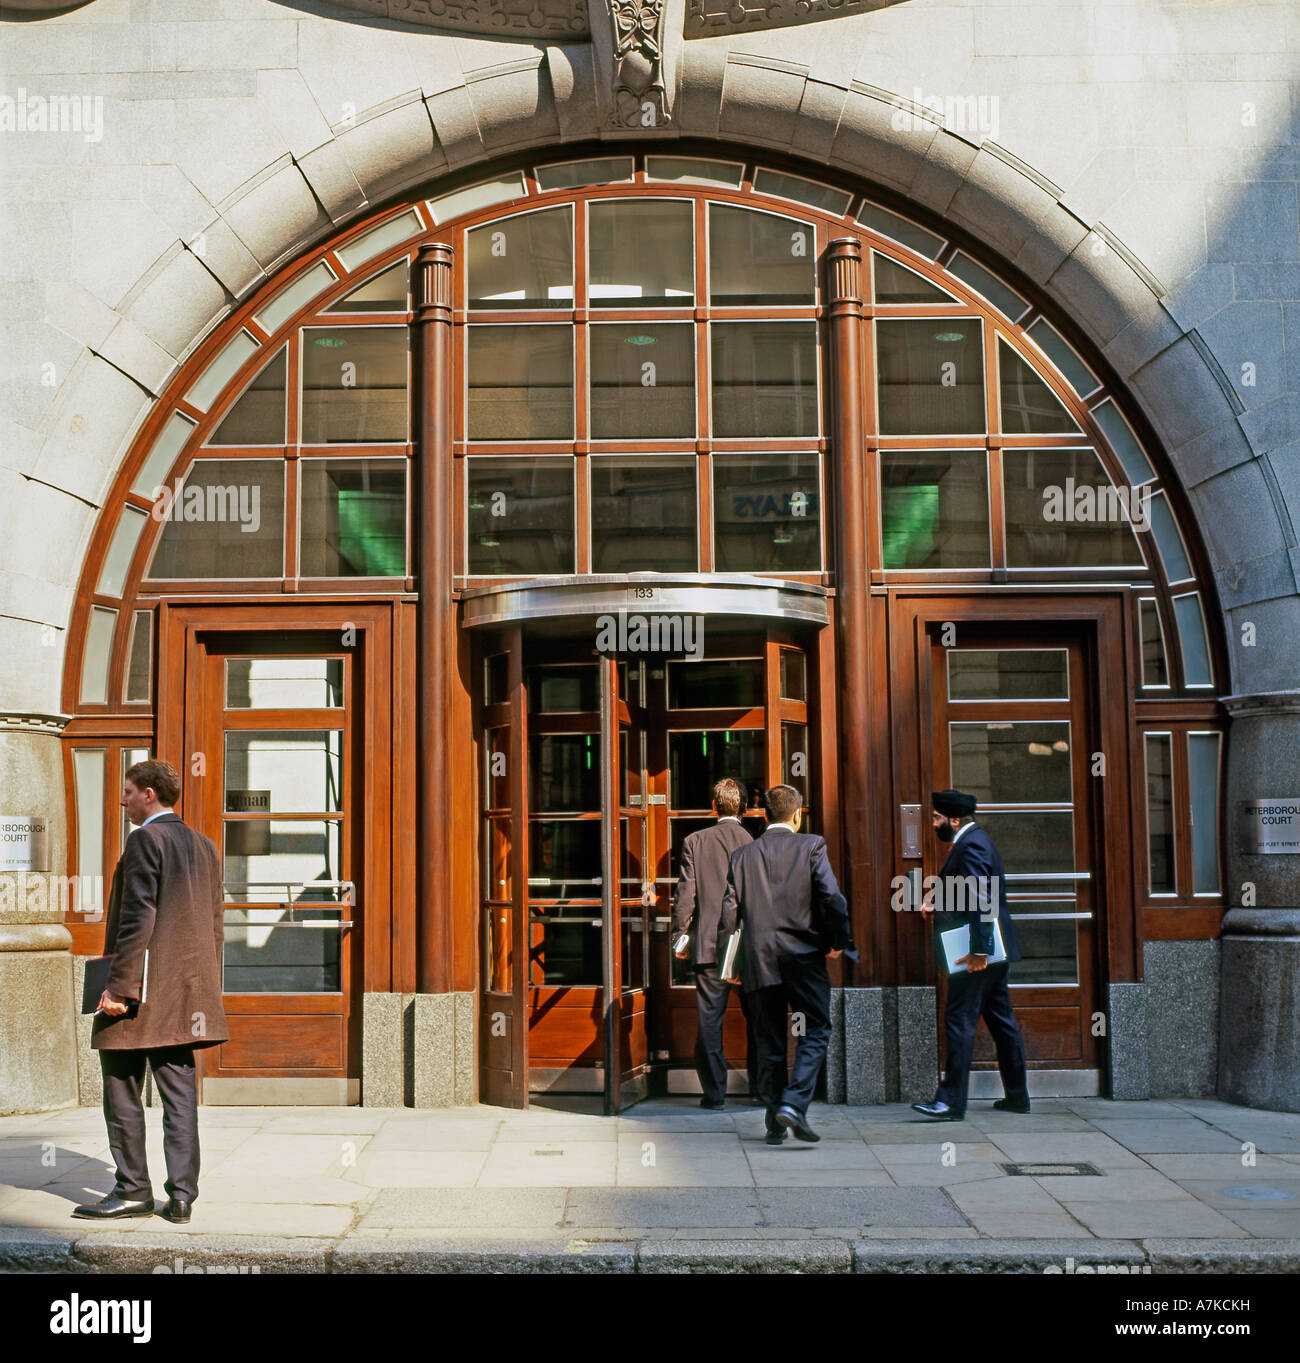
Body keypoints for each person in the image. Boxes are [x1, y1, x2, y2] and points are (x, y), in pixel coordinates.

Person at [73, 759, 228, 1224]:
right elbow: (215, 926)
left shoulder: (145, 840)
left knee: (121, 1089)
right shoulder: (205, 846)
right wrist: (204, 989)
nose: (122, 800)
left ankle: (132, 1191)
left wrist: (118, 990)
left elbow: (137, 919)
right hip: (186, 993)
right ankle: (182, 1197)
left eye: (127, 791)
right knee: (179, 1095)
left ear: (149, 794)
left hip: (139, 995)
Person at [719, 784, 857, 1144]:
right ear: (798, 815)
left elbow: (729, 915)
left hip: (758, 958)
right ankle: (794, 1104)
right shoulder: (811, 845)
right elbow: (834, 900)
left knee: (770, 1041)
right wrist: (836, 942)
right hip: (804, 956)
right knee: (818, 1028)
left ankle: (775, 1124)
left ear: (763, 816)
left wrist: (731, 964)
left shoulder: (742, 856)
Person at [912, 788, 1030, 1121]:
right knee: (1001, 1020)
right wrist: (937, 901)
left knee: (959, 1020)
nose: (933, 824)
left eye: (936, 818)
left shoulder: (972, 844)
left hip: (976, 952)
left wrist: (980, 950)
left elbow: (981, 896)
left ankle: (950, 1103)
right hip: (991, 949)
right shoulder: (975, 841)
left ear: (953, 819)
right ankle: (1018, 1096)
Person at [671, 778, 757, 1109]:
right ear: (745, 809)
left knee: (709, 1020)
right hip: (747, 947)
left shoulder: (695, 840)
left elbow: (686, 895)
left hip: (707, 946)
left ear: (713, 807)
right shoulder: (754, 842)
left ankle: (715, 1093)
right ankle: (760, 1090)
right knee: (758, 1021)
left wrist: (681, 935)